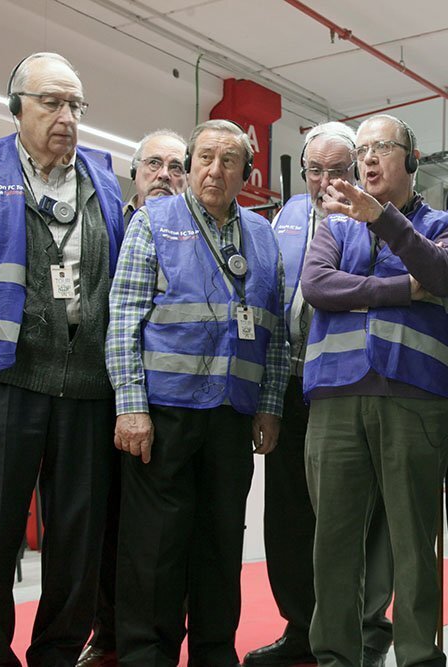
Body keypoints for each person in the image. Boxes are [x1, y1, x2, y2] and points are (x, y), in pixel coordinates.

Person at [0, 52, 124, 666]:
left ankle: (57, 654)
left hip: (88, 389)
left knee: (75, 543)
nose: (65, 117)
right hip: (1, 382)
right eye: (50, 103)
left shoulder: (104, 179)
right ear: (16, 109)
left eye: (75, 106)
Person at [106, 119, 289, 666]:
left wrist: (271, 405)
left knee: (220, 546)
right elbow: (123, 319)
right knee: (154, 550)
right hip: (163, 415)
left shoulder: (262, 234)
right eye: (204, 157)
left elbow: (273, 328)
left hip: (232, 415)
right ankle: (146, 656)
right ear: (189, 168)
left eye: (228, 160)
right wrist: (131, 405)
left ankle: (215, 654)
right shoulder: (154, 222)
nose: (215, 169)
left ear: (246, 174)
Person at [300, 114, 448, 667]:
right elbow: (318, 286)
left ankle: (419, 656)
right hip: (335, 398)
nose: (368, 159)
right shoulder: (334, 225)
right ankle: (335, 658)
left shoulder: (447, 223)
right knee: (334, 543)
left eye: (383, 148)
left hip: (415, 398)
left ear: (412, 161)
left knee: (415, 544)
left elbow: (444, 276)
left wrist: (387, 223)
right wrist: (399, 289)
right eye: (363, 149)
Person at [244, 121, 394, 667]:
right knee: (288, 515)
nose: (326, 179)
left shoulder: (376, 216)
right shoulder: (281, 221)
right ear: (303, 171)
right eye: (316, 169)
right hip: (291, 381)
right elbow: (267, 304)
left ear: (356, 169)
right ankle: (301, 627)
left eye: (338, 169)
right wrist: (267, 396)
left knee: (361, 516)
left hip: (353, 383)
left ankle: (367, 628)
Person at [78, 128, 188, 667]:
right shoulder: (105, 223)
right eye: (154, 165)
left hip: (164, 400)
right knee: (99, 518)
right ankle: (106, 630)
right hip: (96, 394)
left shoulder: (193, 232)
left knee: (156, 529)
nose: (165, 175)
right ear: (135, 172)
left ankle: (156, 629)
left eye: (175, 166)